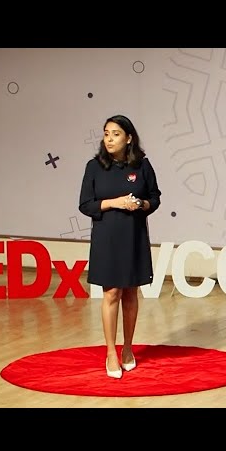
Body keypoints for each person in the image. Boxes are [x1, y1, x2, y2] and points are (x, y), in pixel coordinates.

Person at [78, 114, 161, 379]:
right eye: (106, 134)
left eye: (115, 134)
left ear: (128, 138)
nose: (110, 139)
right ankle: (111, 352)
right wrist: (116, 202)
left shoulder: (142, 165)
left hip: (133, 236)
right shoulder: (94, 167)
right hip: (107, 238)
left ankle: (128, 348)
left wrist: (141, 204)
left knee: (131, 294)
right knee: (111, 293)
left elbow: (154, 198)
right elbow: (85, 204)